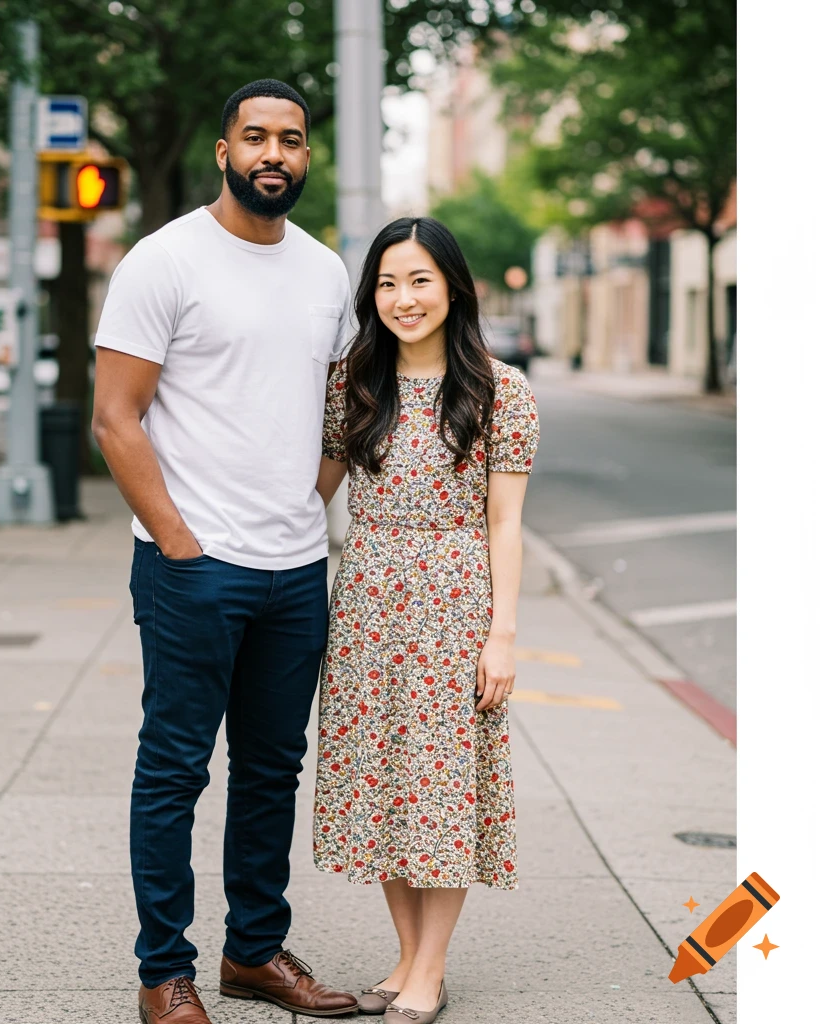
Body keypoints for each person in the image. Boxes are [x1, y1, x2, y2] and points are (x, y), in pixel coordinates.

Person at [91, 80, 359, 1024]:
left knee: (272, 771)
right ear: (224, 151)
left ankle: (253, 953)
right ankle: (164, 972)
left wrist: (302, 506)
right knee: (175, 771)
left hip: (296, 571)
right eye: (255, 137)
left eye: (290, 138)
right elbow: (115, 419)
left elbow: (339, 411)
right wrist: (179, 541)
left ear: (307, 155)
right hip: (193, 569)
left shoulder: (326, 271)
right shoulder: (164, 260)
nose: (272, 153)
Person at [313, 217, 540, 1023]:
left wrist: (501, 636)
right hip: (367, 605)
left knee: (441, 790)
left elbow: (505, 524)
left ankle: (431, 969)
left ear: (452, 288)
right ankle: (407, 957)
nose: (403, 299)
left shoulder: (499, 390)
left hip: (454, 605)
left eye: (418, 280)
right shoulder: (354, 383)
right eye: (387, 283)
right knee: (380, 784)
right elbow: (315, 490)